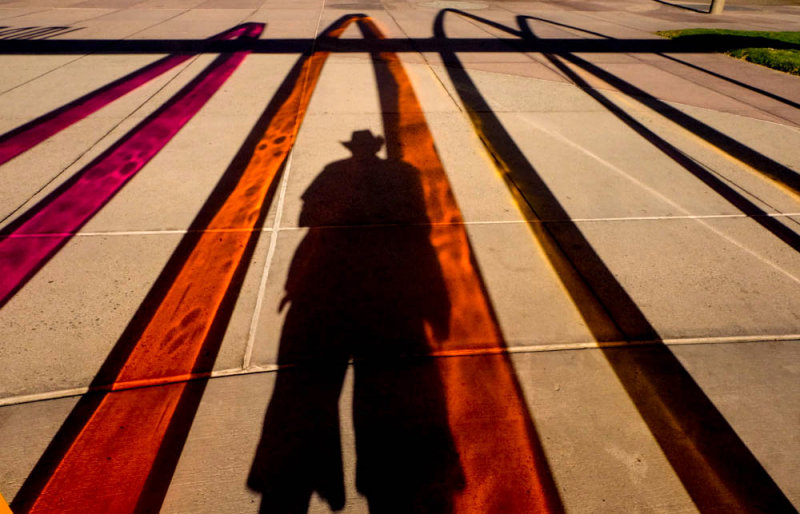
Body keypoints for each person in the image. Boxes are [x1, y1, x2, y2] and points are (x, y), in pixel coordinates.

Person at [249, 130, 463, 513]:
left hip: (331, 281)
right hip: (386, 283)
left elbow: (306, 218)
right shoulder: (404, 175)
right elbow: (420, 227)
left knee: (315, 386)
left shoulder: (335, 171)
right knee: (379, 386)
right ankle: (386, 475)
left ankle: (310, 473)